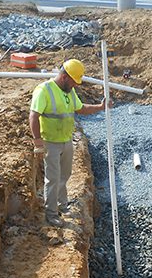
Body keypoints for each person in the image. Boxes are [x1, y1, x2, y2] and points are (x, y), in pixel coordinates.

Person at [29, 59, 110, 227]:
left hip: (66, 140)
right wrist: (37, 141)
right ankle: (51, 214)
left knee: (64, 176)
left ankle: (62, 205)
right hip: (50, 142)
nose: (75, 85)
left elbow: (80, 108)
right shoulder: (44, 90)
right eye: (74, 81)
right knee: (52, 179)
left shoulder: (69, 92)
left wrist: (100, 107)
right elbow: (34, 115)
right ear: (65, 77)